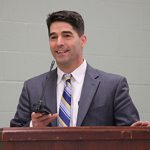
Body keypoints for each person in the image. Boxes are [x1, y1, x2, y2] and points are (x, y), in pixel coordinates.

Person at [10, 10, 149, 128]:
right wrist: (32, 126)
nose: (59, 43)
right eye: (53, 37)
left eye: (67, 35)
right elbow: (14, 134)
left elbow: (129, 133)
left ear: (83, 40)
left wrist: (137, 133)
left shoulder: (113, 86)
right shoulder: (32, 87)